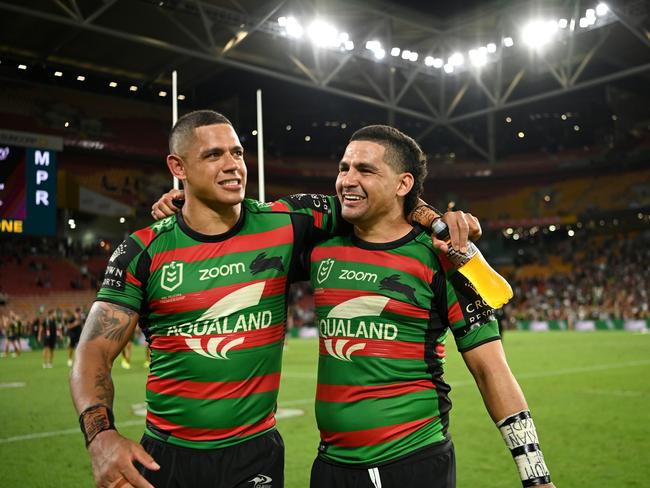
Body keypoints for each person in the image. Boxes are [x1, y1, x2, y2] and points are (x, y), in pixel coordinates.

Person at [71, 110, 477, 488]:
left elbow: (381, 196)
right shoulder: (142, 251)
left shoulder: (287, 222)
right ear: (178, 168)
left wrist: (439, 220)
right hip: (166, 458)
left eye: (237, 152)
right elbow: (93, 352)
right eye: (213, 155)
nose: (232, 165)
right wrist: (99, 436)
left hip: (256, 458)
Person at [308, 125, 555, 488]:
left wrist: (536, 475)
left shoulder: (444, 258)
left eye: (365, 169)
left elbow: (490, 369)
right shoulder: (320, 245)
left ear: (403, 184)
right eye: (344, 168)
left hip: (413, 464)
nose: (347, 179)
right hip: (330, 468)